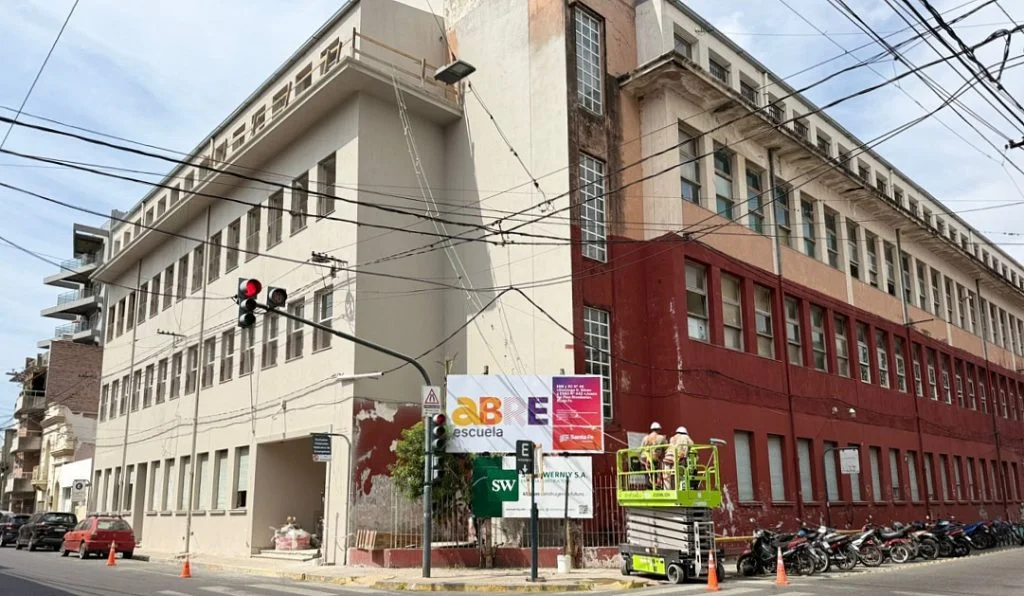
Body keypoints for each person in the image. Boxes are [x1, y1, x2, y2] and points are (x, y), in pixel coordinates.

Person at [640, 422, 667, 488]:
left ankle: (649, 487)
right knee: (655, 474)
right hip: (653, 458)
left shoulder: (645, 438)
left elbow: (641, 449)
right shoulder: (661, 437)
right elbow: (666, 448)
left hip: (644, 458)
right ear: (659, 430)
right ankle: (654, 487)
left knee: (647, 475)